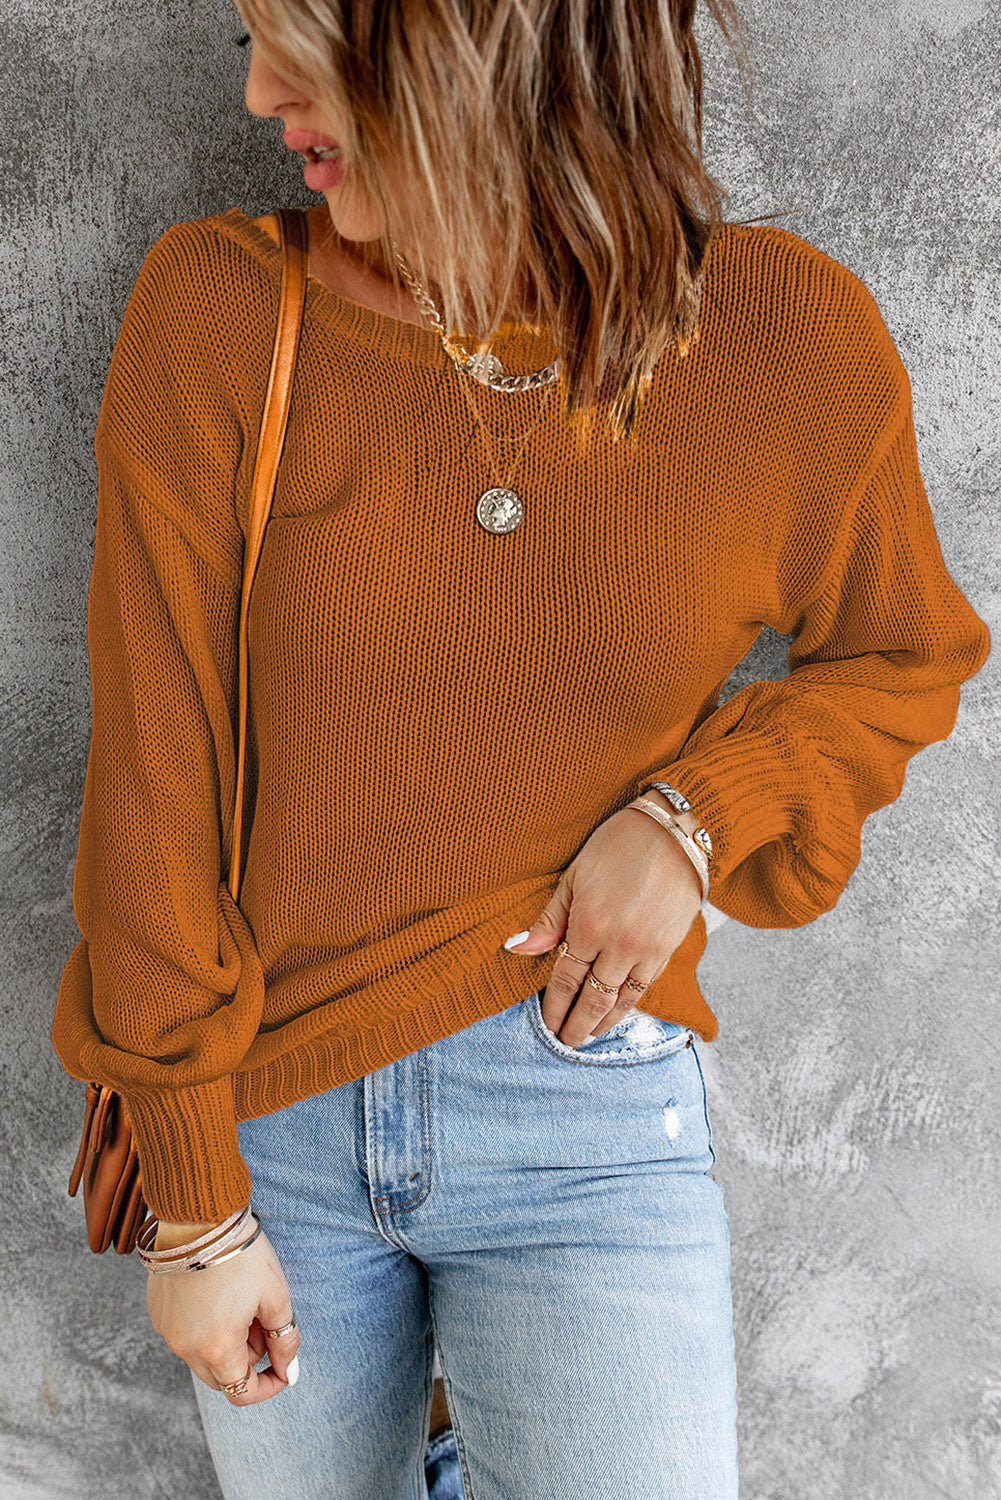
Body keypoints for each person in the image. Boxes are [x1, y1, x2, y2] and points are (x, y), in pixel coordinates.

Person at [50, 0, 992, 1496]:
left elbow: (903, 654)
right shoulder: (218, 311)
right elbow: (152, 774)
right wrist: (194, 1206)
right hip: (269, 1125)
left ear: (471, 44)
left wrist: (692, 817)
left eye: (306, 45)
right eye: (250, 38)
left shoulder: (785, 340)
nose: (258, 94)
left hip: (588, 1113)